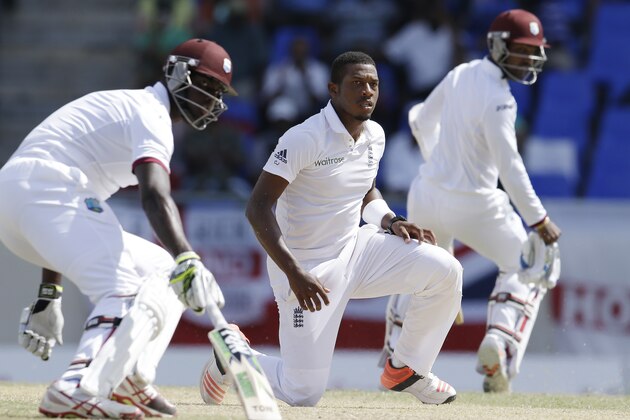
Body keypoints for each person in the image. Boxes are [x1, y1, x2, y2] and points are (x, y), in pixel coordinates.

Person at [199, 51, 463, 407]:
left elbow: (366, 192)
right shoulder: (304, 137)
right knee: (302, 392)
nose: (367, 91)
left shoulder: (376, 135)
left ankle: (407, 368)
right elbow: (257, 207)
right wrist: (294, 272)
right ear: (333, 90)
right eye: (357, 84)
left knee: (446, 270)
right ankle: (230, 356)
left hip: (356, 249)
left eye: (373, 84)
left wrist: (391, 220)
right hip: (308, 270)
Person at [0, 38, 235, 418]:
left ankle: (128, 378)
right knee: (125, 286)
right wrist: (189, 257)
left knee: (162, 270)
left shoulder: (138, 109)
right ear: (176, 73)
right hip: (42, 190)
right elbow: (155, 196)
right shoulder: (151, 113)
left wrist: (50, 291)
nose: (211, 100)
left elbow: (67, 218)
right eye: (206, 86)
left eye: (218, 92)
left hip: (25, 202)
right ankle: (76, 385)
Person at [380, 9, 562, 394]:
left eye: (533, 52)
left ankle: (396, 357)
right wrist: (539, 219)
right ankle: (499, 340)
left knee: (421, 275)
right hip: (478, 204)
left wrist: (438, 166)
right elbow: (509, 167)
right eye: (522, 51)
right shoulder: (501, 100)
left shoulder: (460, 72)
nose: (530, 60)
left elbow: (419, 121)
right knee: (530, 265)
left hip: (427, 193)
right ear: (498, 47)